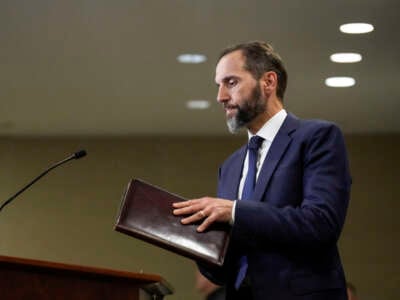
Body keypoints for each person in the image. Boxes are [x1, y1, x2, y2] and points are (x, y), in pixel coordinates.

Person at [173, 41, 351, 300]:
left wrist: (234, 211)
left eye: (231, 82)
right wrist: (193, 239)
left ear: (268, 82)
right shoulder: (230, 167)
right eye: (219, 85)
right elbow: (225, 269)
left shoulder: (318, 137)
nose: (220, 96)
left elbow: (321, 223)